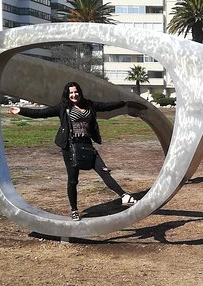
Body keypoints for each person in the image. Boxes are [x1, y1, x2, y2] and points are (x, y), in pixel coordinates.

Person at [9, 81, 145, 221]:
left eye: (76, 92)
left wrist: (125, 102)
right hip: (70, 147)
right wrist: (21, 110)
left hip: (87, 145)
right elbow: (42, 113)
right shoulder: (63, 107)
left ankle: (124, 196)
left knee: (103, 171)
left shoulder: (89, 104)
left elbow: (107, 107)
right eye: (71, 93)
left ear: (80, 92)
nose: (74, 95)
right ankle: (74, 210)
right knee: (73, 180)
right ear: (67, 94)